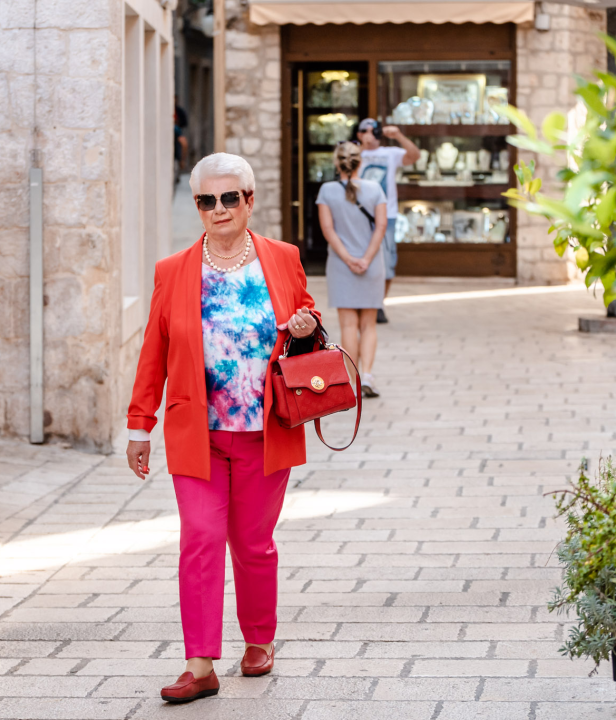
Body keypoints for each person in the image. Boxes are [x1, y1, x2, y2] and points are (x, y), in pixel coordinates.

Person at [126, 152, 320, 704]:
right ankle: (200, 663)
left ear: (249, 201)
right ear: (197, 207)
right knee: (202, 539)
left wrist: (307, 324)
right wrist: (140, 426)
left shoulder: (282, 259)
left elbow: (306, 320)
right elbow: (153, 353)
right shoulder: (174, 271)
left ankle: (259, 641)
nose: (218, 209)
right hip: (198, 434)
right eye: (206, 201)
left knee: (253, 543)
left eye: (229, 198)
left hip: (266, 429)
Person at [317, 142, 387, 398]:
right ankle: (368, 373)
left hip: (340, 264)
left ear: (337, 163)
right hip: (371, 264)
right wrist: (366, 258)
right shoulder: (375, 189)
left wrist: (347, 259)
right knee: (368, 324)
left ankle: (354, 379)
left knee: (348, 324)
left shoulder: (326, 190)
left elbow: (328, 230)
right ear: (361, 163)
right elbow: (381, 227)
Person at [356, 118, 420, 323]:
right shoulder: (355, 154)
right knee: (359, 259)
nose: (369, 134)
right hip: (358, 216)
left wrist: (398, 135)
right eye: (364, 130)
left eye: (373, 130)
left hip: (387, 215)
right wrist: (361, 147)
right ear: (358, 134)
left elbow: (414, 155)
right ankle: (361, 302)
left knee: (388, 263)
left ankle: (378, 304)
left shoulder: (389, 153)